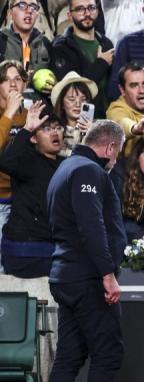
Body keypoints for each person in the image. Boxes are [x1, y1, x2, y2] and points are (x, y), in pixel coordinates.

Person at [46, 120, 126, 382]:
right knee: (108, 354)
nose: (115, 160)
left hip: (65, 276)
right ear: (109, 148)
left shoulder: (65, 168)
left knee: (69, 357)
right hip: (87, 279)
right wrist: (107, 274)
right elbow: (91, 226)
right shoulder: (87, 171)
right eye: (117, 154)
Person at [0, 101, 64, 277]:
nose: (55, 132)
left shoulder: (65, 165)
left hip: (50, 249)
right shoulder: (28, 160)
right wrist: (27, 128)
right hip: (23, 251)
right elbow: (5, 162)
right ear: (34, 138)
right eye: (47, 129)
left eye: (58, 128)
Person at [50, 0, 114, 116]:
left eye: (91, 8)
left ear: (98, 11)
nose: (87, 13)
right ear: (69, 15)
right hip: (79, 120)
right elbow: (73, 89)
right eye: (80, 9)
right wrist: (102, 63)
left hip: (107, 116)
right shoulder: (61, 47)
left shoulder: (106, 43)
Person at [0, 60, 29, 273]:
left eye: (17, 79)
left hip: (23, 201)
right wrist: (9, 113)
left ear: (24, 85)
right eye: (6, 80)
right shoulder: (8, 114)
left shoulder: (31, 115)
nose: (12, 85)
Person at [50, 71, 97, 156]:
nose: (78, 104)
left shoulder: (97, 128)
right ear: (62, 104)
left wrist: (93, 134)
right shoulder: (53, 130)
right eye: (71, 99)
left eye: (83, 99)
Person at [0, 0, 51, 71]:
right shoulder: (1, 40)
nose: (29, 11)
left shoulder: (45, 43)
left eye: (33, 7)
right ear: (10, 13)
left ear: (37, 14)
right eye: (22, 5)